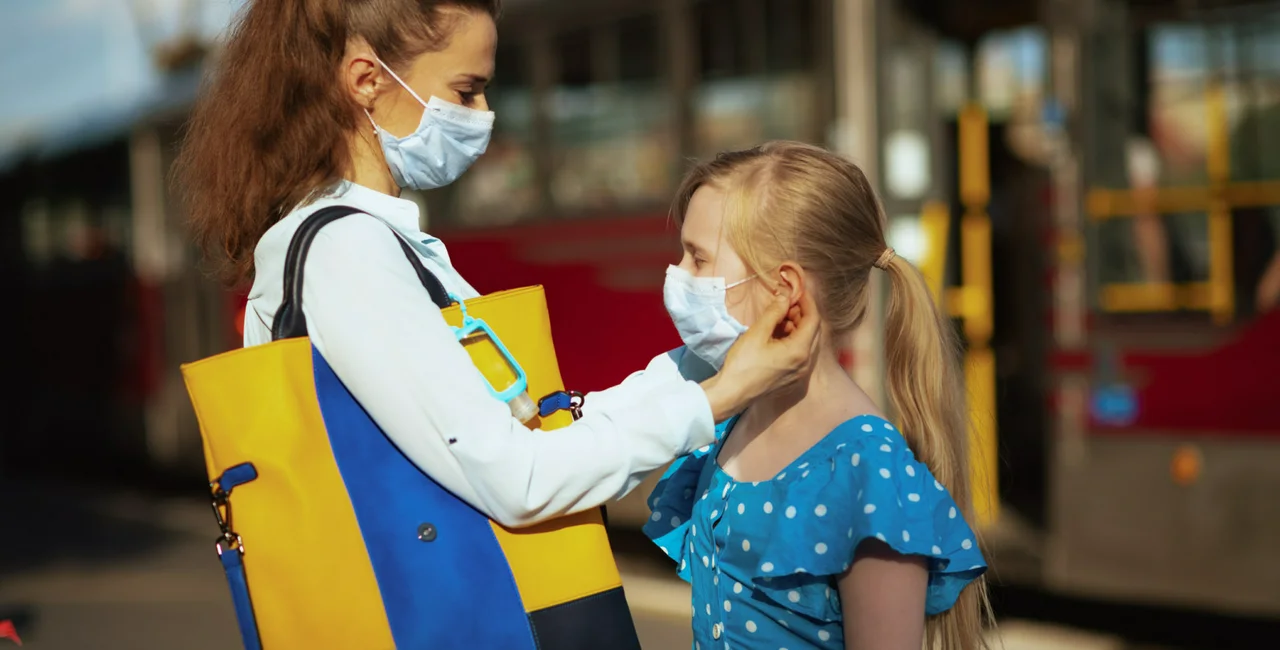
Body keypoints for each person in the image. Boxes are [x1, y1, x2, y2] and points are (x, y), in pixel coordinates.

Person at [172, 0, 819, 530]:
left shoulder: (369, 240)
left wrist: (705, 370)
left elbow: (530, 423)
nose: (483, 116)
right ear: (366, 80)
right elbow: (520, 479)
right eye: (466, 90)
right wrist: (723, 393)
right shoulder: (346, 253)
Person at [644, 142, 991, 650]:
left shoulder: (869, 473)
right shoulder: (728, 421)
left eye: (698, 258)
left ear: (785, 289)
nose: (678, 275)